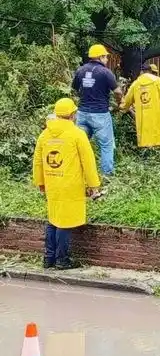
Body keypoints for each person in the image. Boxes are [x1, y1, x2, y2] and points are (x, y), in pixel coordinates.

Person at [33, 98, 101, 270]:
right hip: (70, 185)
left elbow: (38, 162)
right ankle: (62, 260)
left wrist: (40, 182)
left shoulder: (44, 135)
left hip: (52, 184)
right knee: (65, 223)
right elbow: (88, 162)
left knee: (53, 220)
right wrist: (93, 184)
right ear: (72, 114)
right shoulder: (77, 134)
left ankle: (48, 259)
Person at [72, 44, 122, 176]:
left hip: (82, 114)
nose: (106, 60)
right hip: (100, 115)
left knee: (79, 145)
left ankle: (77, 173)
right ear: (100, 57)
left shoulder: (80, 70)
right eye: (105, 57)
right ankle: (107, 176)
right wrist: (119, 103)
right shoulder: (106, 72)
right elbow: (117, 92)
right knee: (106, 146)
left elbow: (75, 88)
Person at [120, 63, 160, 149]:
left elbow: (126, 103)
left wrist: (121, 108)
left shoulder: (135, 84)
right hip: (157, 124)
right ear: (150, 71)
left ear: (141, 72)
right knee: (158, 148)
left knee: (145, 149)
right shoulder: (157, 81)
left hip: (143, 129)